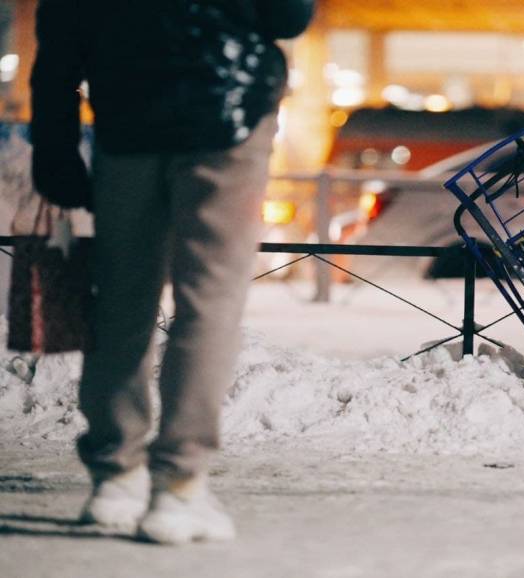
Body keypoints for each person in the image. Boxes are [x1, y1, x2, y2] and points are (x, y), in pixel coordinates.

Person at [29, 0, 315, 544]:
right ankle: (179, 487)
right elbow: (288, 15)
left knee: (119, 296)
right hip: (226, 118)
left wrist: (55, 146)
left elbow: (60, 38)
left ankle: (117, 476)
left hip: (126, 121)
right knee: (209, 303)